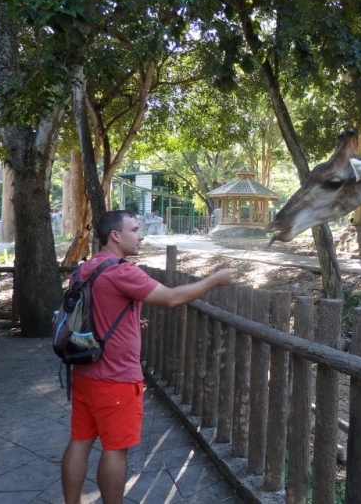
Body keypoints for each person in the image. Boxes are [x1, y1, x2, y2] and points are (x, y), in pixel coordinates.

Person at [61, 210, 237, 504]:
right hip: (115, 378)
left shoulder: (84, 268)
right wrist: (214, 280)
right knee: (115, 449)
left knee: (80, 441)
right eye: (135, 229)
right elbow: (172, 298)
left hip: (84, 371)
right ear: (115, 235)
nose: (141, 235)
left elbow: (91, 311)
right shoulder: (122, 270)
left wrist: (129, 322)